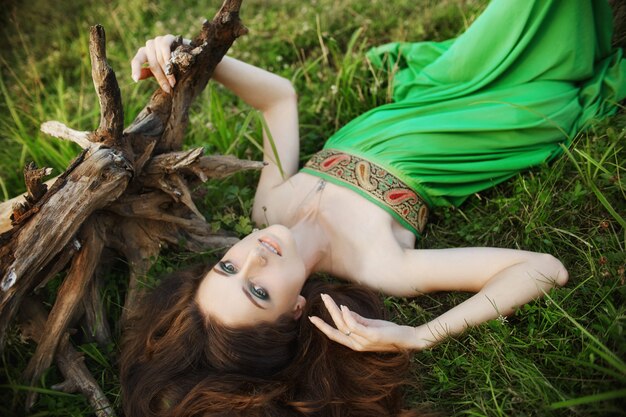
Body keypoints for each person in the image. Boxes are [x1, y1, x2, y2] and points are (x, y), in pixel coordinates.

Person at [120, 1, 625, 416]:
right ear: (296, 310)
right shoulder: (379, 265)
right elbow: (542, 268)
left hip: (423, 101)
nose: (253, 258)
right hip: (488, 123)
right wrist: (419, 335)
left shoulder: (269, 212)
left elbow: (278, 101)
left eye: (227, 266)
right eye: (256, 290)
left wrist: (196, 56)